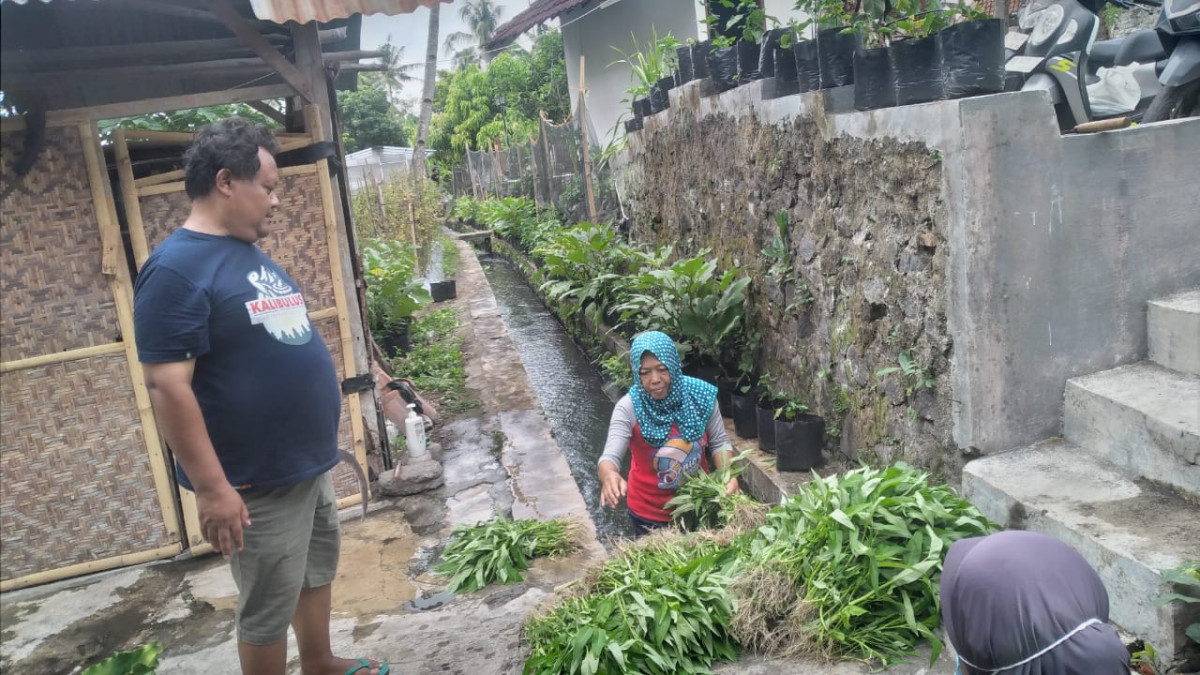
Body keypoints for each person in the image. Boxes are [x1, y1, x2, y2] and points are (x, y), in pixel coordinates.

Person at [133, 118, 387, 675]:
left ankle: (318, 662)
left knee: (314, 569)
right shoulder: (175, 268)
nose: (275, 201)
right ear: (226, 181)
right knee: (268, 601)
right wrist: (213, 489)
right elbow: (167, 385)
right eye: (268, 187)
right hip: (252, 481)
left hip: (303, 463)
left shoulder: (247, 252)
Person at [597, 331, 739, 535]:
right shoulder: (628, 408)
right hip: (648, 515)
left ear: (673, 366)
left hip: (699, 506)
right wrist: (609, 475)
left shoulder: (701, 396)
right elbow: (609, 457)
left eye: (662, 369)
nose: (654, 379)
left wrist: (728, 475)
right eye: (645, 372)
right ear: (636, 372)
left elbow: (719, 442)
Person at [939, 530, 1131, 675]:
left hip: (1037, 556)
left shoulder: (1098, 607)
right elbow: (971, 666)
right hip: (977, 579)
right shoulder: (996, 649)